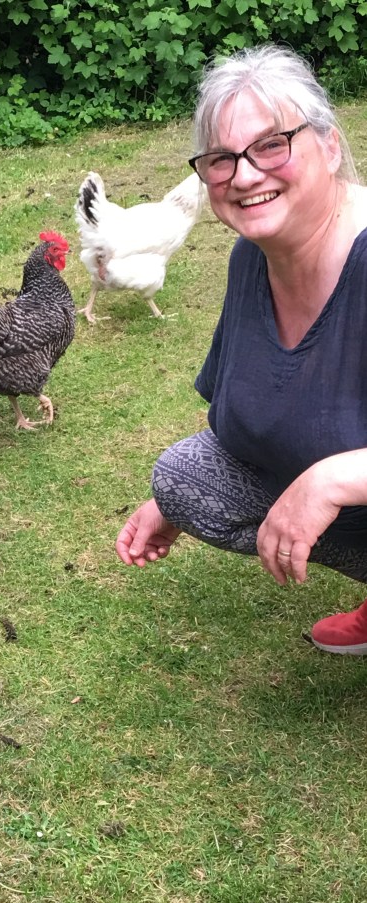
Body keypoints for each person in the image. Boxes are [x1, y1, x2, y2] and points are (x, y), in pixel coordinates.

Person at [116, 44, 367, 655]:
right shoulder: (251, 261)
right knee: (185, 476)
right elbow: (244, 417)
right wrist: (174, 501)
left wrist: (331, 480)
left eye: (271, 145)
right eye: (222, 159)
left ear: (329, 145)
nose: (245, 175)